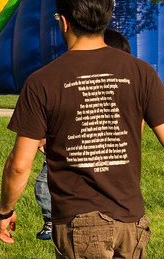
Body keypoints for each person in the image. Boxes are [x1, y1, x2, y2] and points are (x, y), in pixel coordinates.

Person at [0, 0, 164, 256]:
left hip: (77, 225)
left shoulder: (42, 81)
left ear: (63, 21)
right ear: (106, 19)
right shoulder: (141, 72)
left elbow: (19, 165)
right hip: (132, 223)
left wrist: (5, 210)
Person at [32, 27, 133, 242]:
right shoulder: (75, 88)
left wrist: (5, 209)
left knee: (44, 185)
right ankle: (50, 219)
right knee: (43, 185)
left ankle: (51, 219)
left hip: (90, 213)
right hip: (123, 216)